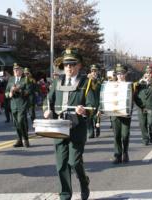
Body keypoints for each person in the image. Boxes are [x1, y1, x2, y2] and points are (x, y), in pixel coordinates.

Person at [43, 48, 95, 200]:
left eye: (72, 64)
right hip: (59, 127)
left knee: (74, 161)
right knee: (61, 165)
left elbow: (92, 105)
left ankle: (84, 181)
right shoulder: (57, 81)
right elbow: (48, 101)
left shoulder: (86, 82)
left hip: (77, 128)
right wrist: (47, 110)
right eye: (66, 65)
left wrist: (83, 110)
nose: (69, 68)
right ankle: (65, 195)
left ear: (79, 66)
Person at [110, 64, 133, 164]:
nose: (120, 75)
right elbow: (106, 98)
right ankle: (117, 155)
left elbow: (135, 98)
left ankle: (125, 153)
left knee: (125, 135)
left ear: (125, 74)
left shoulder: (130, 85)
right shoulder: (111, 85)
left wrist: (143, 107)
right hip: (115, 113)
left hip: (125, 114)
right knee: (116, 135)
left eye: (122, 73)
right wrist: (100, 109)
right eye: (118, 74)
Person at [5, 63, 30, 148]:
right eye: (14, 70)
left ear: (21, 71)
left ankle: (25, 139)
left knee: (20, 121)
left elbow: (27, 92)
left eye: (17, 69)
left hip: (22, 104)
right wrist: (9, 94)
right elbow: (6, 92)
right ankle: (19, 140)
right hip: (13, 104)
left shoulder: (25, 79)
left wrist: (18, 90)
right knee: (16, 123)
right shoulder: (11, 79)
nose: (16, 71)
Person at [134, 67, 152, 145]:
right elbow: (133, 89)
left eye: (150, 73)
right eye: (147, 72)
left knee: (150, 123)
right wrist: (139, 82)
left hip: (151, 107)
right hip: (141, 107)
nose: (148, 74)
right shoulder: (140, 82)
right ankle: (145, 138)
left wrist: (151, 82)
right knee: (142, 124)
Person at [87, 64, 101, 139]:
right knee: (89, 118)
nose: (94, 72)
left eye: (95, 71)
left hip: (97, 101)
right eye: (92, 71)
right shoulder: (87, 79)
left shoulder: (100, 80)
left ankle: (97, 128)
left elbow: (98, 87)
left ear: (97, 71)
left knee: (96, 118)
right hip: (89, 102)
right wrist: (89, 79)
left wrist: (94, 80)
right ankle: (91, 132)